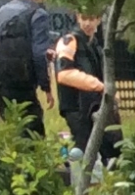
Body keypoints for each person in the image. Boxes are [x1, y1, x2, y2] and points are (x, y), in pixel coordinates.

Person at [52, 12, 121, 162]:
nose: (88, 24)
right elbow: (63, 74)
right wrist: (99, 86)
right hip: (75, 106)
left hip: (94, 104)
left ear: (99, 19)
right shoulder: (69, 40)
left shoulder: (95, 45)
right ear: (77, 18)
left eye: (91, 18)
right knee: (82, 150)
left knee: (113, 146)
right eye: (84, 19)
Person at [0, 0, 47, 136]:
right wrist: (46, 86)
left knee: (13, 132)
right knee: (33, 135)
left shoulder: (1, 12)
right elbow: (39, 54)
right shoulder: (38, 15)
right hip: (22, 85)